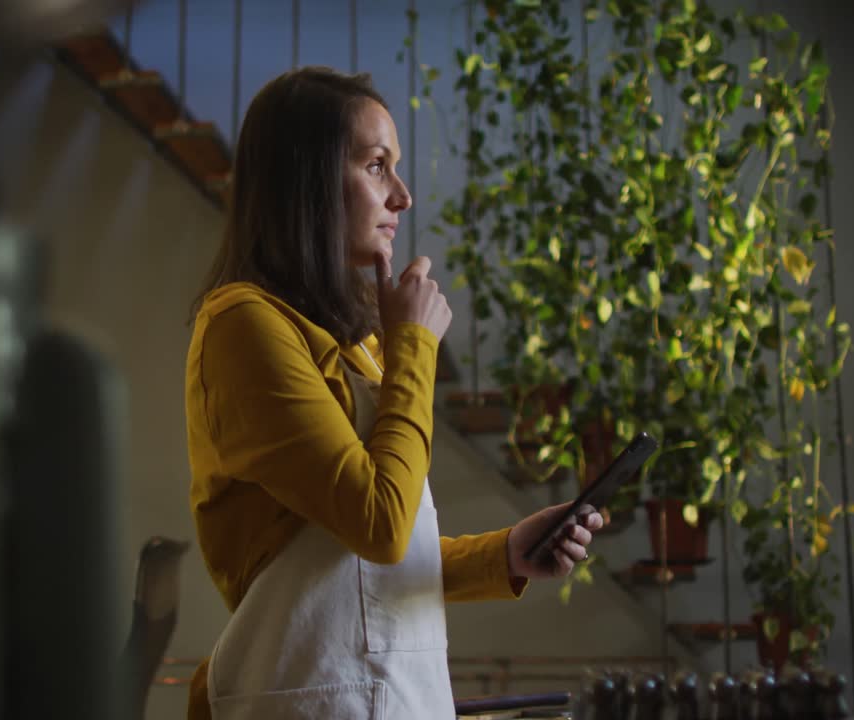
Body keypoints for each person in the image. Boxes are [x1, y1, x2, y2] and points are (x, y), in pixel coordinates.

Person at [183, 66, 604, 720]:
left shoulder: (354, 345)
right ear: (308, 179)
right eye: (377, 166)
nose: (403, 196)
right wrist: (415, 347)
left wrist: (505, 554)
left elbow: (368, 564)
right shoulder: (244, 324)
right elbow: (377, 524)